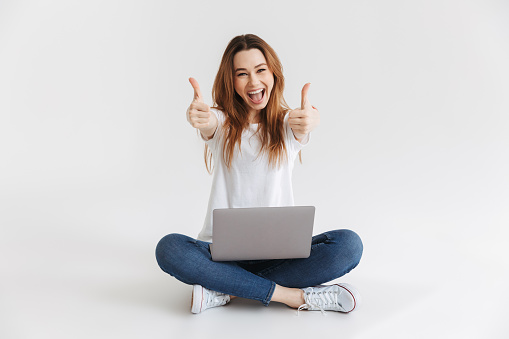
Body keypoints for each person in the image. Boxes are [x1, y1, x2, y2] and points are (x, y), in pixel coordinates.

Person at [155, 34, 363, 315]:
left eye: (260, 70)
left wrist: (311, 120)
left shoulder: (288, 123)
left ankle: (226, 289)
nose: (253, 82)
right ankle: (291, 296)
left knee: (349, 245)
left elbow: (302, 124)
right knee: (169, 249)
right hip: (219, 255)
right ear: (232, 81)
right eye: (242, 74)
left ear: (273, 74)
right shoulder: (221, 123)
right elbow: (208, 122)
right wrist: (200, 118)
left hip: (280, 257)